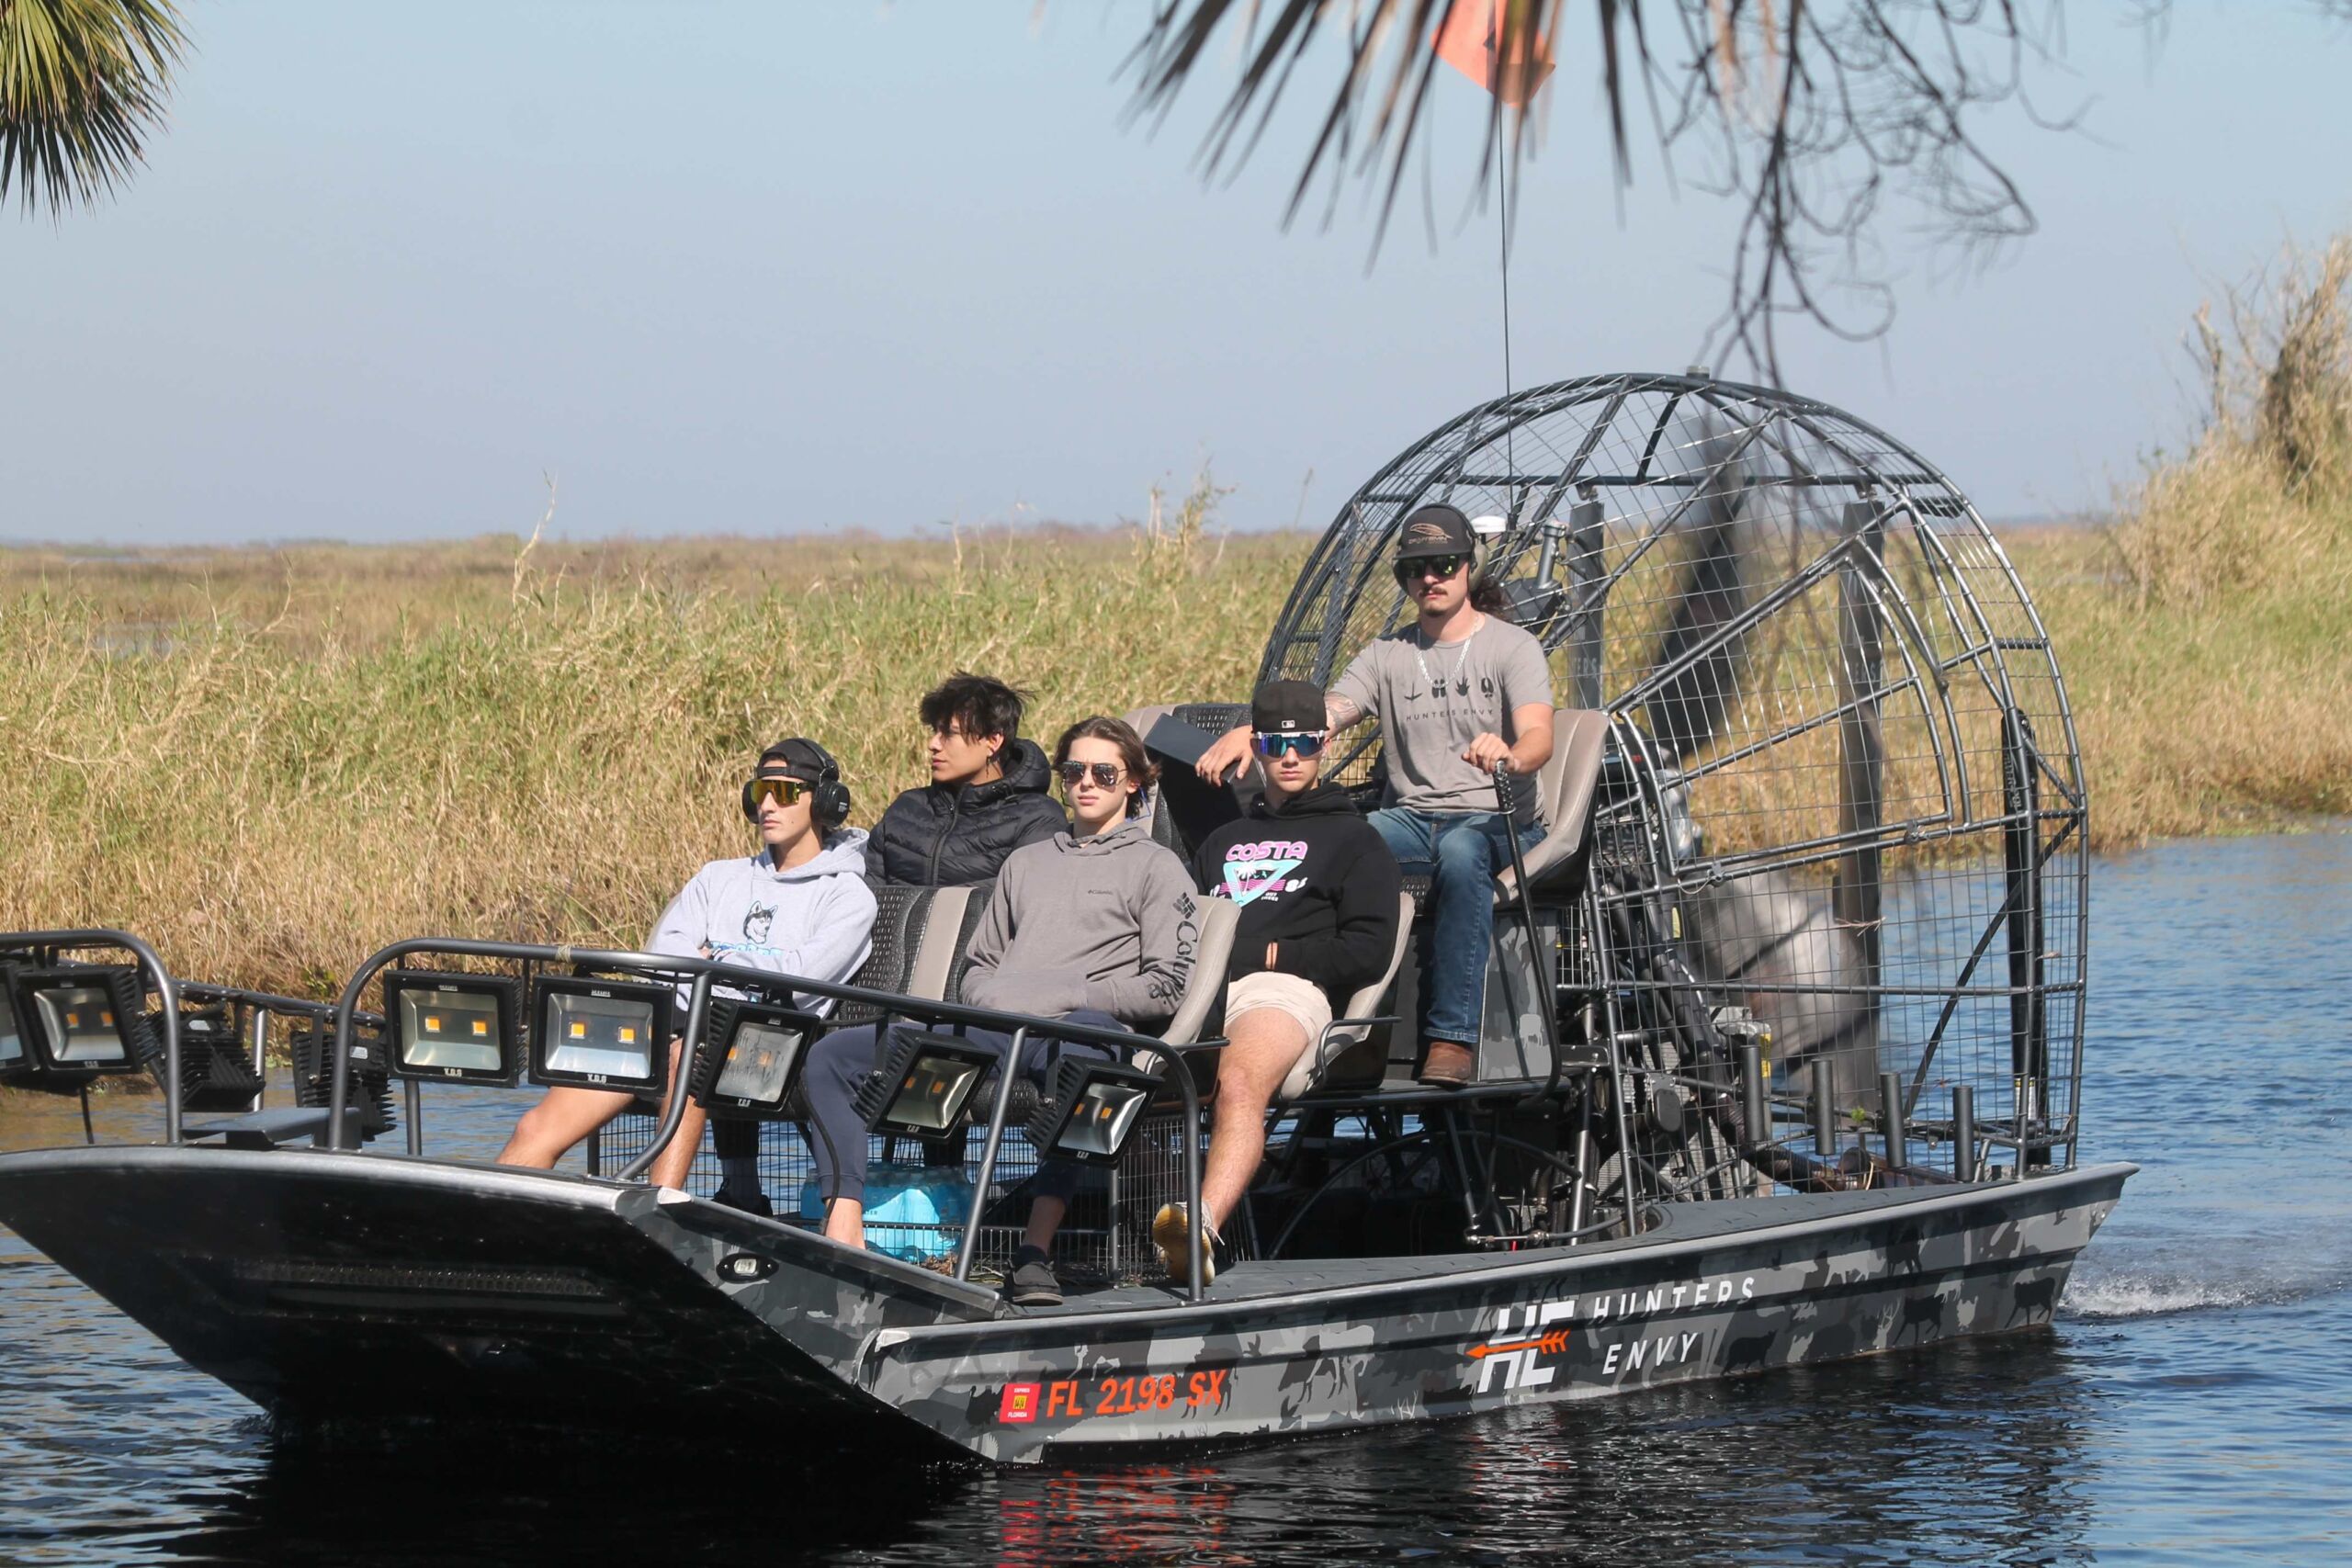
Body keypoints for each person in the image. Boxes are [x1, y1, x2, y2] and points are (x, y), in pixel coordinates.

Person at [799, 716, 1197, 1306]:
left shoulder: (1156, 866)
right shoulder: (1027, 863)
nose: (1087, 783)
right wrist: (997, 998)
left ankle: (1034, 1253)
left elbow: (1165, 986)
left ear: (1135, 782)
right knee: (831, 1056)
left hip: (1075, 1032)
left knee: (1087, 1061)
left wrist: (1062, 993)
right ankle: (846, 1225)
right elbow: (978, 969)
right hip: (992, 1028)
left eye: (1104, 773)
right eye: (1074, 771)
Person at [1195, 503, 1555, 1088]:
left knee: (1463, 856)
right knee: (1337, 840)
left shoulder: (1512, 648)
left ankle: (1451, 1038)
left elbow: (1539, 736)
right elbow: (1327, 714)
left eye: (1442, 565)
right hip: (1412, 819)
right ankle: (1292, 1000)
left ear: (1469, 567)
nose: (1429, 579)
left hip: (1497, 817)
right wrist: (1253, 729)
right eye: (1414, 570)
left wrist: (1511, 756)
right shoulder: (1387, 655)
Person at [495, 739, 877, 1198]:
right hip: (674, 1026)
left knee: (685, 1052)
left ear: (825, 802)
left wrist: (717, 961)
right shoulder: (718, 877)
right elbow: (665, 952)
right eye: (759, 793)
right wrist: (717, 970)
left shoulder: (847, 895)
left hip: (769, 1041)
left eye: (785, 792)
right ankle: (489, 1230)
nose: (768, 805)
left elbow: (805, 978)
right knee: (535, 1127)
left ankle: (660, 1209)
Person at [1152, 678, 1401, 1285]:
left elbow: (1368, 951)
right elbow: (1184, 924)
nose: (1291, 755)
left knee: (1239, 1080)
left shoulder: (1358, 839)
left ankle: (1200, 1223)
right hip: (1203, 987)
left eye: (1306, 742)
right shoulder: (1221, 841)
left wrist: (1271, 952)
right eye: (1275, 742)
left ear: (1324, 746)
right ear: (1256, 747)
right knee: (1120, 1060)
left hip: (1284, 991)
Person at [863, 671, 1069, 886]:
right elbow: (867, 896)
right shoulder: (905, 811)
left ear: (993, 741)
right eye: (935, 731)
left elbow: (1023, 902)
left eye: (949, 734)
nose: (933, 744)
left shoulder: (1037, 818)